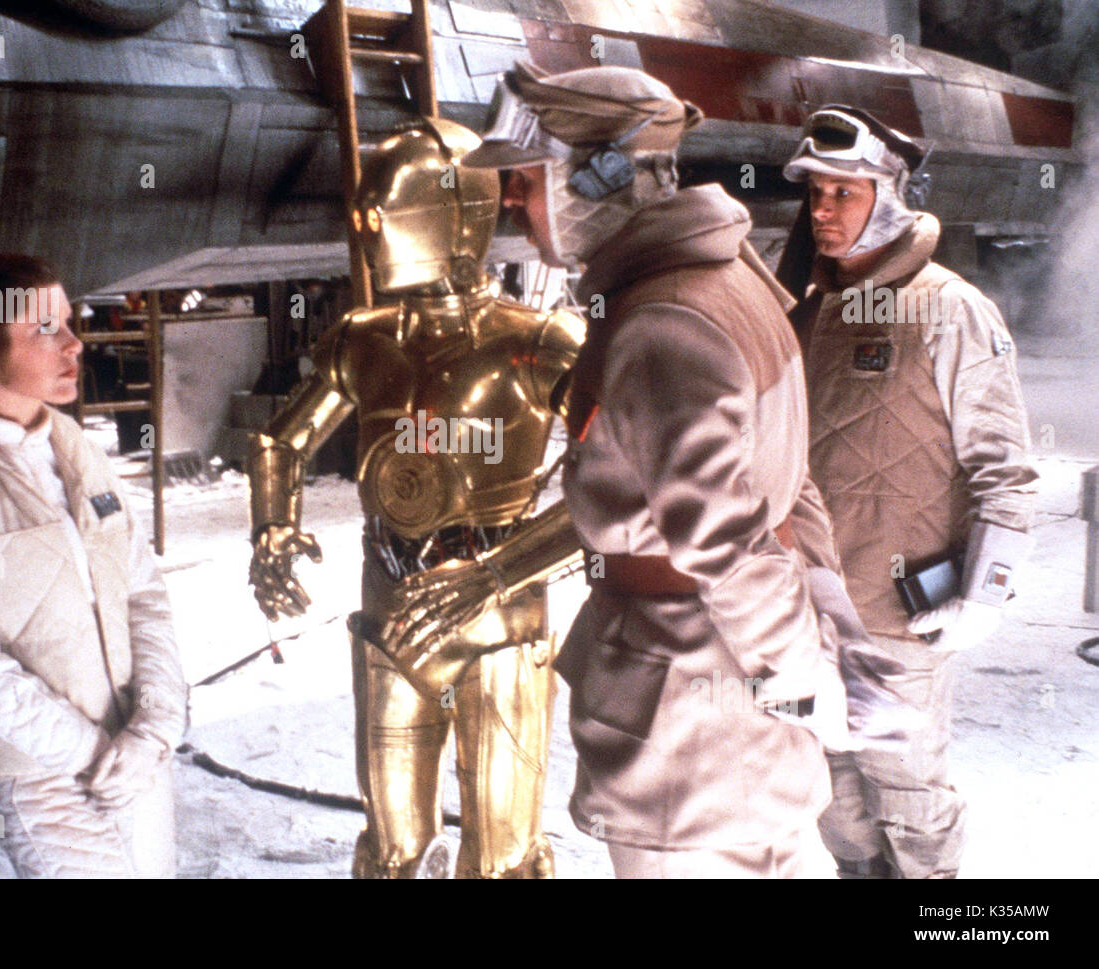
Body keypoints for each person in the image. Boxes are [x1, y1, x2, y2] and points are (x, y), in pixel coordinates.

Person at [416, 61, 856, 878]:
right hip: (738, 726)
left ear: (599, 175)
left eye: (524, 177)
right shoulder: (729, 280)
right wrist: (817, 642)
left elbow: (724, 543)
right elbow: (791, 485)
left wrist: (802, 672)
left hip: (690, 742)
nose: (511, 199)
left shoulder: (662, 324)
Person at [246, 118, 584, 878]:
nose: (367, 228)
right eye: (364, 213)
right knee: (392, 848)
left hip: (499, 611)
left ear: (454, 213)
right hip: (391, 603)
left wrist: (497, 574)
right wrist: (272, 526)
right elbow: (280, 439)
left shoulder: (539, 340)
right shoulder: (362, 338)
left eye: (383, 211)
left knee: (501, 856)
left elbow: (623, 482)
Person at [781, 105, 1037, 878]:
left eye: (843, 194)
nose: (822, 211)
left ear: (888, 196)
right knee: (834, 803)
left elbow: (1006, 469)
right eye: (815, 194)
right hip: (809, 613)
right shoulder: (813, 312)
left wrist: (984, 594)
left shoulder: (950, 307)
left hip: (902, 617)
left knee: (912, 807)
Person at [0, 253, 188, 878]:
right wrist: (91, 753)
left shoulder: (74, 447)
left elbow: (141, 591)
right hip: (41, 773)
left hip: (134, 746)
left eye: (70, 321)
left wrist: (157, 724)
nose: (75, 345)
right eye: (44, 330)